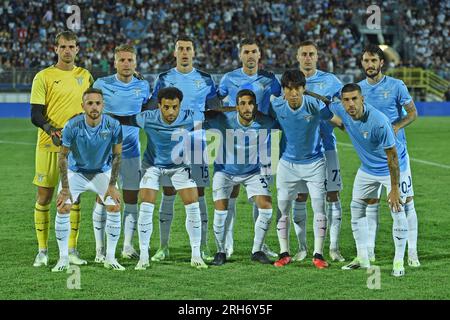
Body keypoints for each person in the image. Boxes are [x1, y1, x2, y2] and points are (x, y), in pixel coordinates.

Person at [113, 87, 208, 270]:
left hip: (180, 167)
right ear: (159, 106)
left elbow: (213, 115)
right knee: (147, 206)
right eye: (166, 107)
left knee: (193, 205)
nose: (171, 112)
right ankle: (144, 256)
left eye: (175, 107)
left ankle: (196, 255)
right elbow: (123, 119)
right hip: (152, 167)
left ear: (180, 105)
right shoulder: (147, 118)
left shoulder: (191, 116)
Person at [149, 36, 220, 262]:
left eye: (189, 48)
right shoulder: (164, 78)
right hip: (169, 144)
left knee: (199, 193)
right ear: (175, 52)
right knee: (168, 192)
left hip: (197, 143)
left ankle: (204, 246)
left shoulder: (206, 79)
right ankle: (163, 246)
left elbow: (214, 110)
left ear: (194, 52)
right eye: (181, 49)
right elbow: (153, 107)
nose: (185, 52)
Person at [329, 83, 409, 277]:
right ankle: (362, 257)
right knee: (356, 208)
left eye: (354, 99)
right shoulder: (341, 108)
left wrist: (394, 187)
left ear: (362, 99)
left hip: (389, 169)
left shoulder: (379, 121)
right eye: (346, 100)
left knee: (397, 209)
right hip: (367, 169)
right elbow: (326, 101)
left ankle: (399, 261)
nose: (350, 104)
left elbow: (392, 157)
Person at [30, 30, 93, 267]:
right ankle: (43, 250)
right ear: (55, 49)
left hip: (77, 147)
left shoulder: (85, 76)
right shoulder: (43, 76)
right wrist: (51, 129)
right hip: (48, 145)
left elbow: (95, 104)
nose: (67, 50)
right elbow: (35, 114)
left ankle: (72, 249)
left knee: (74, 198)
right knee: (45, 196)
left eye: (71, 46)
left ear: (77, 49)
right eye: (63, 46)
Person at [218, 38, 281, 259]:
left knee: (262, 194)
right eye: (246, 52)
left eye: (254, 51)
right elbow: (216, 103)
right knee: (231, 193)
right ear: (240, 55)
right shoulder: (229, 78)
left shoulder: (270, 79)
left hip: (264, 143)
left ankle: (260, 246)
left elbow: (280, 102)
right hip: (235, 143)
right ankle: (226, 244)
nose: (251, 55)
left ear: (260, 54)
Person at [358, 44, 420, 267]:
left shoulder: (396, 86)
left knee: (405, 203)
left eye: (374, 60)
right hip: (371, 158)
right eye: (366, 61)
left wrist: (396, 126)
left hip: (397, 155)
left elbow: (413, 113)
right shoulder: (358, 90)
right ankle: (371, 252)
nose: (370, 65)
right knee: (370, 203)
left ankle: (411, 252)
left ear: (381, 63)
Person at [53, 88, 123, 272]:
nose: (94, 107)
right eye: (90, 103)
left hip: (102, 172)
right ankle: (63, 259)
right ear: (83, 105)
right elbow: (62, 157)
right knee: (63, 206)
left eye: (98, 103)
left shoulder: (114, 125)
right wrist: (65, 188)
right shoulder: (72, 126)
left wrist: (112, 185)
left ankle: (110, 257)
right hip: (76, 173)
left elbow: (117, 156)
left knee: (114, 205)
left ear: (103, 105)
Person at [206, 89, 278, 266]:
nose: (247, 107)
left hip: (252, 172)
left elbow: (281, 129)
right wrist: (228, 110)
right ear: (236, 106)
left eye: (250, 103)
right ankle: (220, 251)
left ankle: (257, 250)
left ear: (256, 106)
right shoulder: (223, 120)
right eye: (243, 104)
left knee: (267, 209)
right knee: (220, 212)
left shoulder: (266, 122)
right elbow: (204, 114)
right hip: (224, 172)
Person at [92, 44, 151, 263]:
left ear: (136, 63)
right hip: (105, 153)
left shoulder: (143, 85)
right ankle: (100, 249)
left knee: (130, 198)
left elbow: (148, 109)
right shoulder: (102, 84)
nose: (126, 64)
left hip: (132, 151)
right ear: (114, 62)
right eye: (122, 60)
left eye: (130, 60)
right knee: (103, 198)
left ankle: (127, 246)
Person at [270, 69, 333, 269]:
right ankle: (284, 252)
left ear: (304, 89)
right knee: (282, 210)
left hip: (315, 163)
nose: (294, 94)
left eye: (298, 88)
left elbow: (331, 113)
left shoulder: (314, 105)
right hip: (287, 164)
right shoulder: (277, 105)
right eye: (289, 89)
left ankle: (318, 254)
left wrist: (316, 96)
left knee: (319, 208)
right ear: (284, 91)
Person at [293, 40, 345, 262]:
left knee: (332, 195)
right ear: (297, 57)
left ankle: (333, 247)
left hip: (327, 147)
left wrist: (338, 121)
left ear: (317, 57)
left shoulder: (331, 81)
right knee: (300, 197)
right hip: (300, 151)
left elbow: (344, 108)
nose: (307, 57)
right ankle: (302, 247)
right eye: (303, 54)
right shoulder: (291, 81)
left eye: (311, 54)